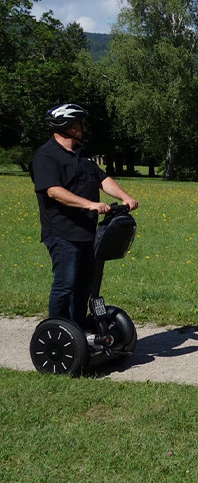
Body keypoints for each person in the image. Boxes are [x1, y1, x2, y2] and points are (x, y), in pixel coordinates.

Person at [31, 103, 138, 327]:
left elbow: (102, 179)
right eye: (80, 123)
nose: (84, 127)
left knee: (85, 286)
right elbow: (53, 190)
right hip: (61, 232)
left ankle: (77, 328)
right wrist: (89, 204)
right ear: (67, 126)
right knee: (65, 285)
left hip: (87, 232)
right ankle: (57, 330)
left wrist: (125, 197)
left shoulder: (82, 155)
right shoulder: (46, 156)